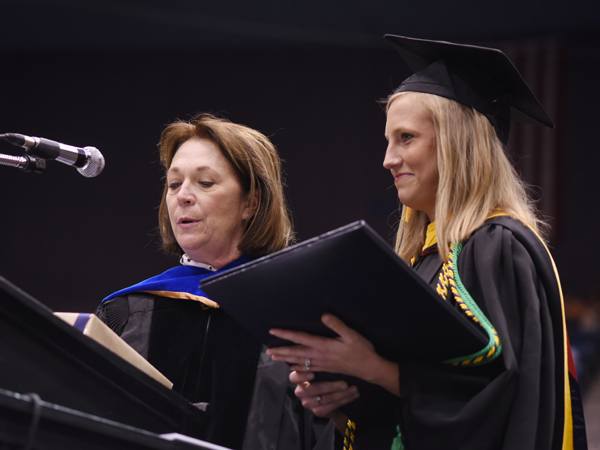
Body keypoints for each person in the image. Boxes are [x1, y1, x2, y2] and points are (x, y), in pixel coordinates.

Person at [266, 36, 587, 449]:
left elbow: (504, 398)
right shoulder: (425, 260)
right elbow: (416, 408)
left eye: (406, 138)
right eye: (388, 140)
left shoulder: (498, 247)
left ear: (456, 144)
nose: (388, 159)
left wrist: (378, 370)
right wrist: (347, 399)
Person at [95, 114, 334, 450]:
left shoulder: (296, 316)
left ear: (251, 203)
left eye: (205, 183)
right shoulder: (126, 311)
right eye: (174, 184)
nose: (183, 196)